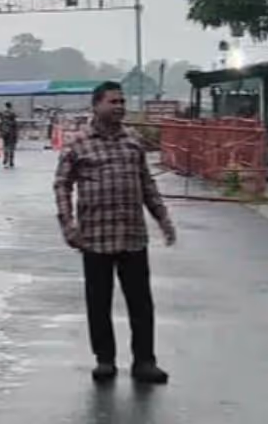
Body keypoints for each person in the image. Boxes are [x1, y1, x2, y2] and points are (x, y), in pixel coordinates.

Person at [55, 81, 175, 385]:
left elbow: (147, 183)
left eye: (122, 101)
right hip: (95, 237)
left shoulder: (133, 141)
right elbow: (62, 185)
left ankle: (145, 361)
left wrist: (163, 218)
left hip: (132, 236)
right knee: (99, 303)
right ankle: (105, 359)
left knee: (141, 303)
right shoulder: (78, 144)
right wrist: (68, 224)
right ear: (96, 105)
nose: (119, 106)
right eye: (113, 101)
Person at [0, 102, 19, 168]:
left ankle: (5, 160)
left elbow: (0, 125)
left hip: (5, 133)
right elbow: (16, 126)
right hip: (12, 133)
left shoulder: (3, 115)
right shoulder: (13, 114)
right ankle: (11, 161)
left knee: (5, 146)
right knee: (11, 147)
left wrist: (0, 132)